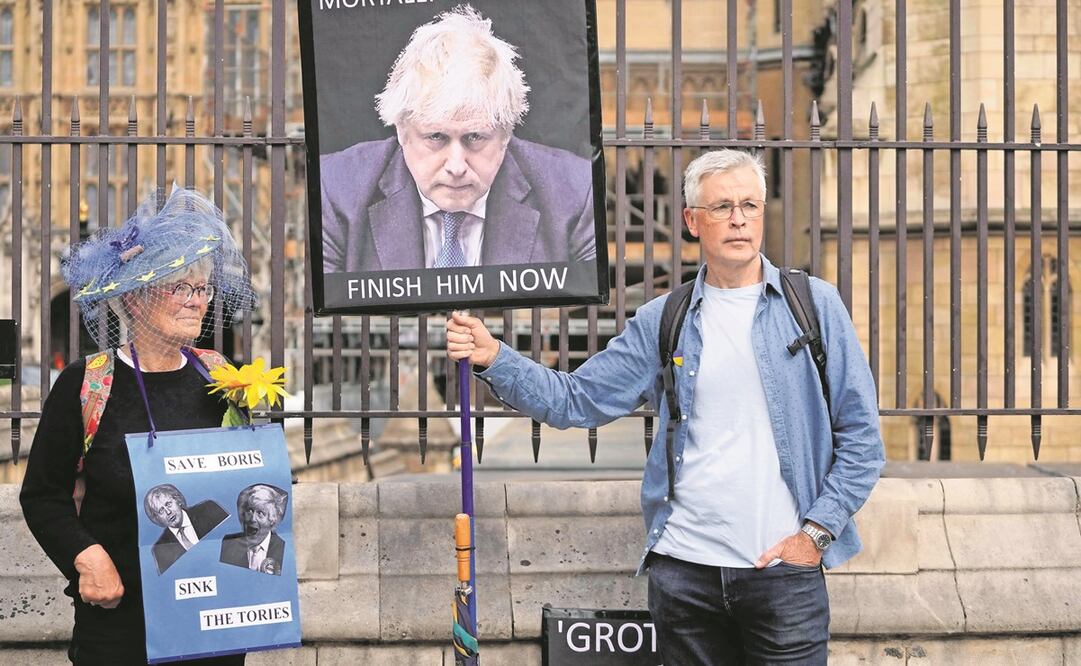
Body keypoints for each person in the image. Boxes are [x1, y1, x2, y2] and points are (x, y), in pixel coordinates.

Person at [447, 149, 884, 664]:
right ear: (692, 221)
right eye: (722, 207)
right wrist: (494, 355)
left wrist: (814, 535)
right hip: (685, 573)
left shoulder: (813, 305)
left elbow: (861, 439)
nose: (739, 219)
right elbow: (578, 400)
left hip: (783, 576)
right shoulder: (665, 318)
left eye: (750, 204)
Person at [20, 188, 257, 666]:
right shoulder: (87, 384)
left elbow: (243, 487)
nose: (198, 302)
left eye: (204, 289)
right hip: (121, 625)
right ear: (134, 297)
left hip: (212, 625)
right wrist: (87, 558)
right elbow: (43, 496)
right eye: (181, 288)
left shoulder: (222, 378)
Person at [320, 4, 597, 273]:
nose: (456, 166)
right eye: (436, 137)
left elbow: (586, 317)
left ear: (506, 135)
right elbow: (324, 318)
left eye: (474, 137)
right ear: (401, 131)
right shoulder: (336, 190)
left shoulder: (574, 193)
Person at [143, 484, 228, 575]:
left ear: (178, 500)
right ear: (157, 518)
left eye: (168, 504)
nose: (168, 512)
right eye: (161, 511)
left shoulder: (209, 509)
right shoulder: (159, 550)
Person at [219, 484, 287, 576]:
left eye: (260, 513)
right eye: (250, 510)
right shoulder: (228, 544)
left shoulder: (283, 548)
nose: (252, 519)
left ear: (272, 519)